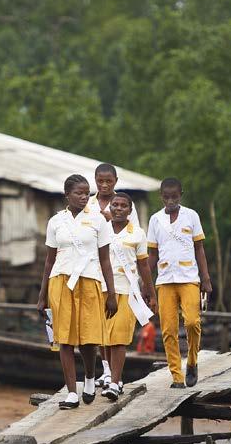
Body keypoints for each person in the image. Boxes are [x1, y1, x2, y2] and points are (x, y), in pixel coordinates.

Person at [37, 174, 118, 409]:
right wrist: (42, 295)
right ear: (67, 195)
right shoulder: (56, 222)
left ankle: (91, 378)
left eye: (86, 193)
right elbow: (49, 261)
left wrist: (111, 293)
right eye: (79, 193)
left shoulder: (98, 221)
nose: (84, 197)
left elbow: (105, 261)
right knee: (64, 339)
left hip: (89, 281)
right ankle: (72, 392)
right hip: (60, 282)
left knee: (89, 339)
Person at [147, 177, 212, 388]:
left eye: (174, 197)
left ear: (180, 195)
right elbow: (152, 254)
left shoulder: (191, 216)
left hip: (189, 277)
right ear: (161, 197)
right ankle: (176, 375)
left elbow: (199, 249)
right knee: (168, 329)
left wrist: (206, 279)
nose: (170, 201)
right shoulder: (155, 220)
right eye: (166, 197)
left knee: (192, 322)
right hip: (165, 279)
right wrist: (145, 281)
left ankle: (192, 361)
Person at [100, 193, 157, 401]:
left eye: (123, 206)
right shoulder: (101, 229)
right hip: (101, 287)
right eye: (115, 205)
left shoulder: (138, 234)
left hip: (126, 289)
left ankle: (115, 383)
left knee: (119, 338)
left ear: (130, 210)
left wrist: (151, 293)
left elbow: (143, 265)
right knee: (102, 336)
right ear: (110, 207)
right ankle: (107, 375)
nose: (118, 209)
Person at [88, 162, 139, 384]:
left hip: (121, 269)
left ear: (116, 182)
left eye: (109, 181)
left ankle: (114, 375)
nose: (105, 184)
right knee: (99, 324)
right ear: (95, 180)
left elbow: (133, 232)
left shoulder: (124, 203)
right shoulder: (88, 202)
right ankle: (106, 369)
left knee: (117, 328)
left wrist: (109, 218)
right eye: (101, 181)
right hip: (93, 267)